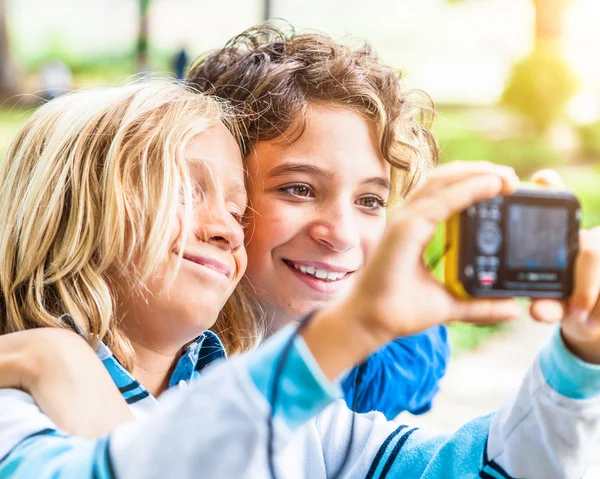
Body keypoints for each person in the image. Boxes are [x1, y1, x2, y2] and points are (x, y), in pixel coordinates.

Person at [0, 80, 599, 479]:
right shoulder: (15, 411)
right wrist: (352, 326)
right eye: (186, 189)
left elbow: (473, 470)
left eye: (238, 211)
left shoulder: (308, 426)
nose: (227, 230)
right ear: (69, 207)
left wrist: (576, 362)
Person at [188, 25, 450, 417]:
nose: (341, 235)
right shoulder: (160, 357)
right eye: (299, 189)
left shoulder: (399, 360)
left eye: (369, 200)